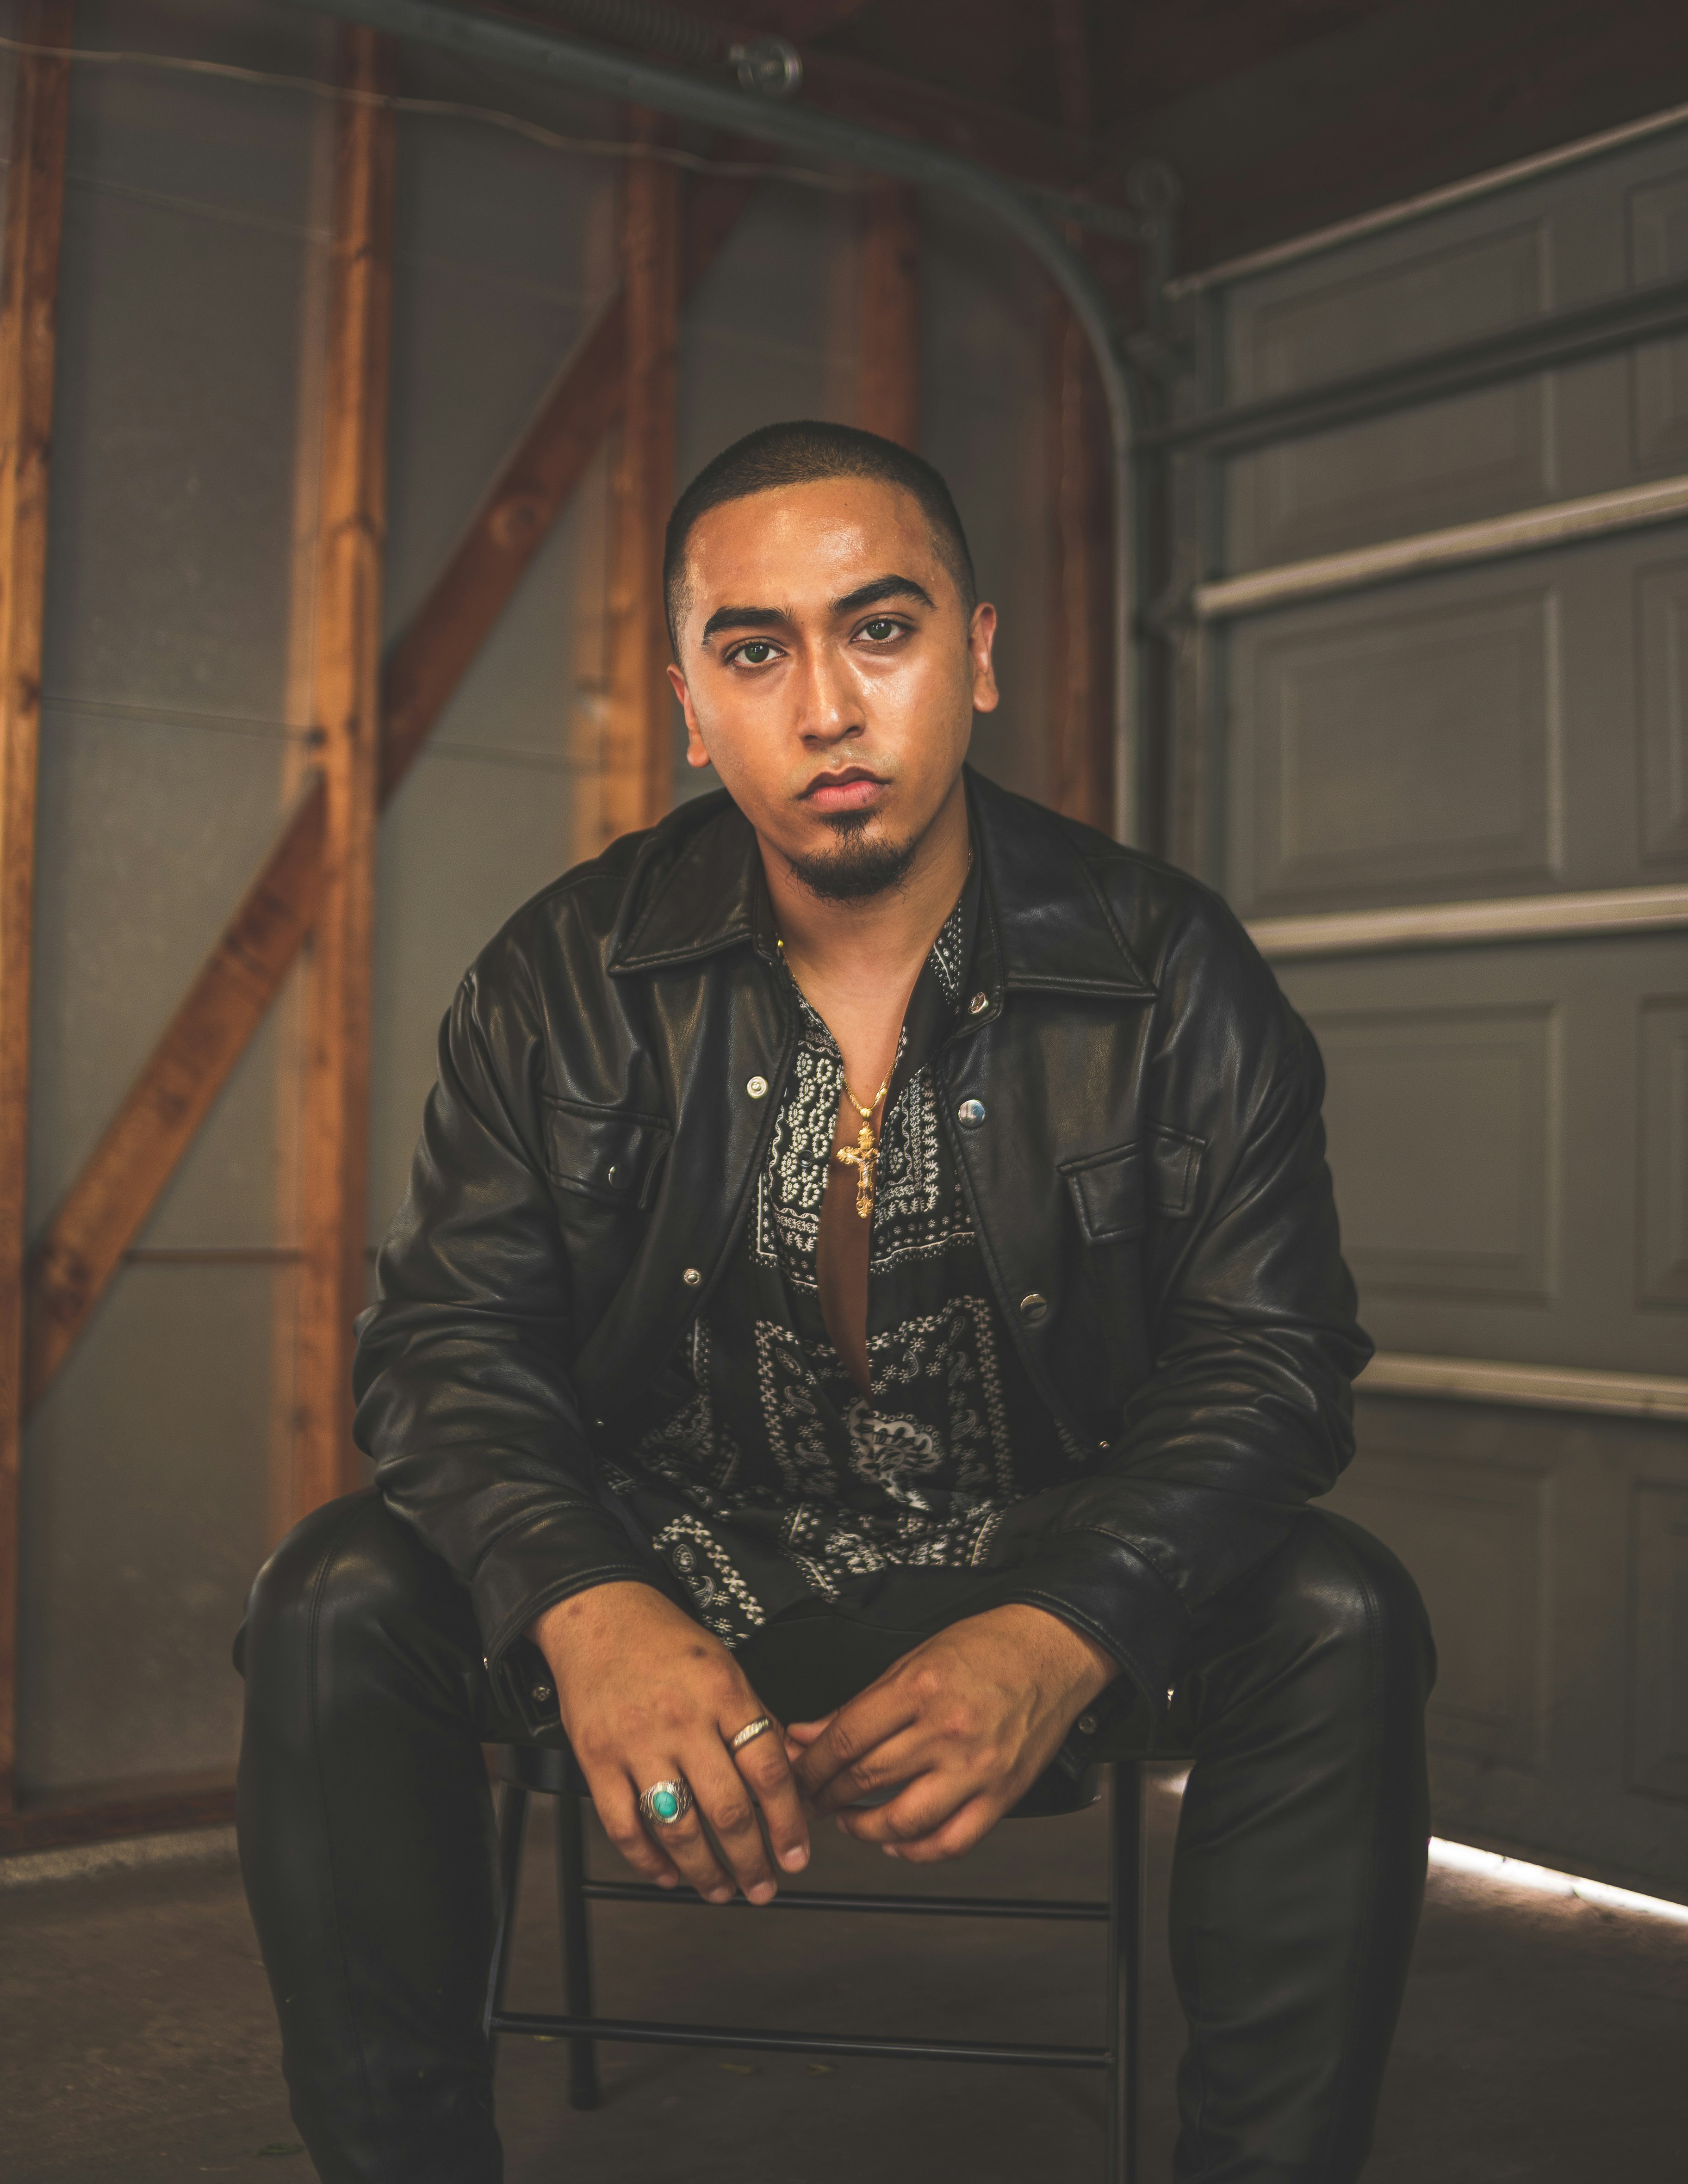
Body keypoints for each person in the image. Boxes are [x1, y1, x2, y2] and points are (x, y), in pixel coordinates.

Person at [237, 419, 1433, 2184]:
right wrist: (590, 1607)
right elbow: (446, 1345)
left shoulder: (1168, 971)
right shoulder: (563, 976)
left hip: (1041, 1548)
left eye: (881, 630)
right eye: (755, 649)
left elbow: (1273, 1360)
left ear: (981, 654)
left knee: (1343, 1613)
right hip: (680, 1552)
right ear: (688, 699)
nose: (826, 710)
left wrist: (1060, 1624)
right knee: (336, 1592)